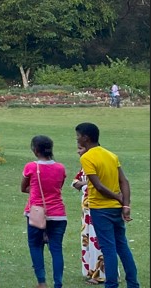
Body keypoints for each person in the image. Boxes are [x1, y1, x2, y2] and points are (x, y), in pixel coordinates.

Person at [75, 122, 138, 288]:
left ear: (86, 138)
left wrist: (117, 197)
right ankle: (133, 284)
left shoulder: (87, 157)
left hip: (100, 209)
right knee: (122, 247)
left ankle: (111, 284)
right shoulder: (111, 155)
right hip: (116, 209)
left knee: (109, 249)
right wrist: (125, 204)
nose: (77, 139)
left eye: (78, 136)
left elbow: (98, 186)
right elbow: (124, 181)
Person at [22, 135, 68, 288]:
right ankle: (58, 283)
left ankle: (41, 282)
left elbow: (23, 188)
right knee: (56, 249)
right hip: (58, 214)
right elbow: (58, 187)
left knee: (35, 245)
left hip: (36, 212)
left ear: (35, 150)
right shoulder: (60, 168)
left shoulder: (31, 167)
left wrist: (34, 190)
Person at [73, 160, 106, 285]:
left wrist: (84, 184)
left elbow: (98, 183)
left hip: (97, 206)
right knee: (87, 239)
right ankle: (91, 270)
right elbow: (75, 182)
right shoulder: (84, 164)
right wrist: (84, 183)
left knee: (97, 240)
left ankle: (101, 274)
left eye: (80, 147)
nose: (78, 151)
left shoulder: (96, 162)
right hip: (86, 209)